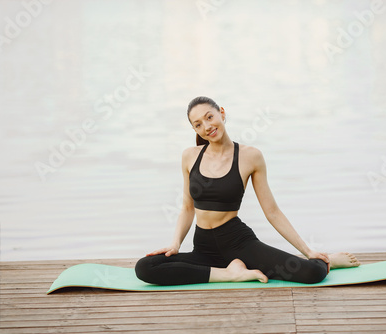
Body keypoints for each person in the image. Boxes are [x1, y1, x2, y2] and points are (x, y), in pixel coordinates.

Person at [135, 96, 360, 285]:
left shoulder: (250, 156)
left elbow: (271, 211)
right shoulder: (189, 156)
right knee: (145, 267)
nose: (207, 127)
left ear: (222, 113)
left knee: (313, 273)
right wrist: (175, 245)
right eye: (198, 124)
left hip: (239, 243)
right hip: (203, 247)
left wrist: (309, 251)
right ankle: (228, 274)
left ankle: (329, 259)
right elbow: (186, 207)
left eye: (209, 117)